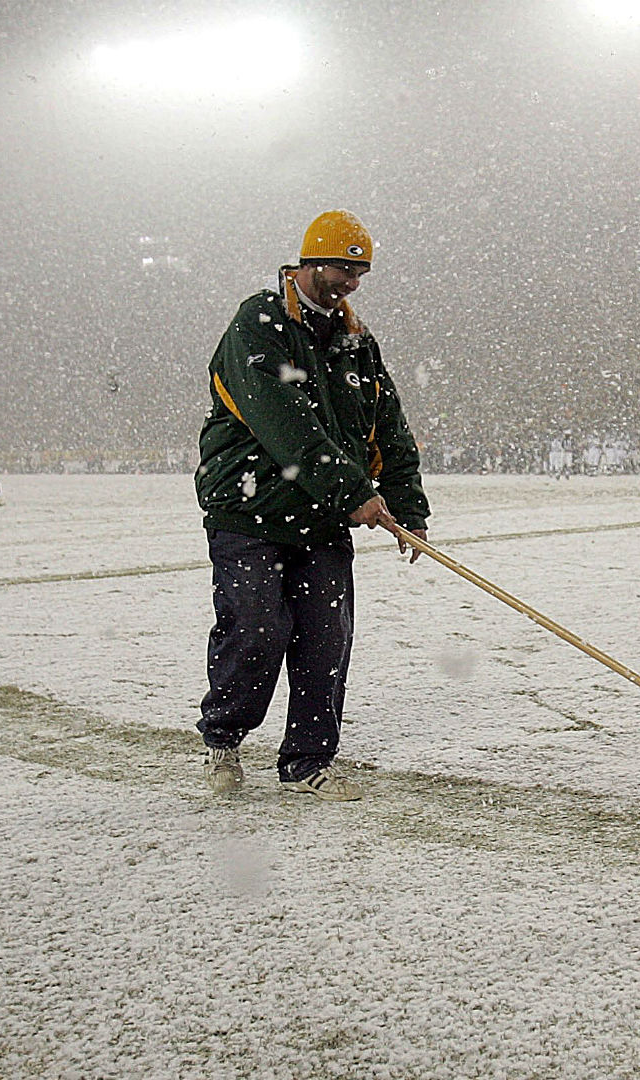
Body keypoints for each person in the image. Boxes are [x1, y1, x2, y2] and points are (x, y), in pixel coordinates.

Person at [194, 209, 431, 802]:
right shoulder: (258, 324)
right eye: (341, 268)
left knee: (326, 640)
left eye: (360, 271)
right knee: (256, 629)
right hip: (250, 512)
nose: (350, 281)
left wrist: (407, 506)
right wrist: (353, 492)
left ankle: (307, 762)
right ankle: (224, 739)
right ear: (308, 261)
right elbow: (284, 424)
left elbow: (389, 427)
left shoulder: (357, 342)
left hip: (322, 519)